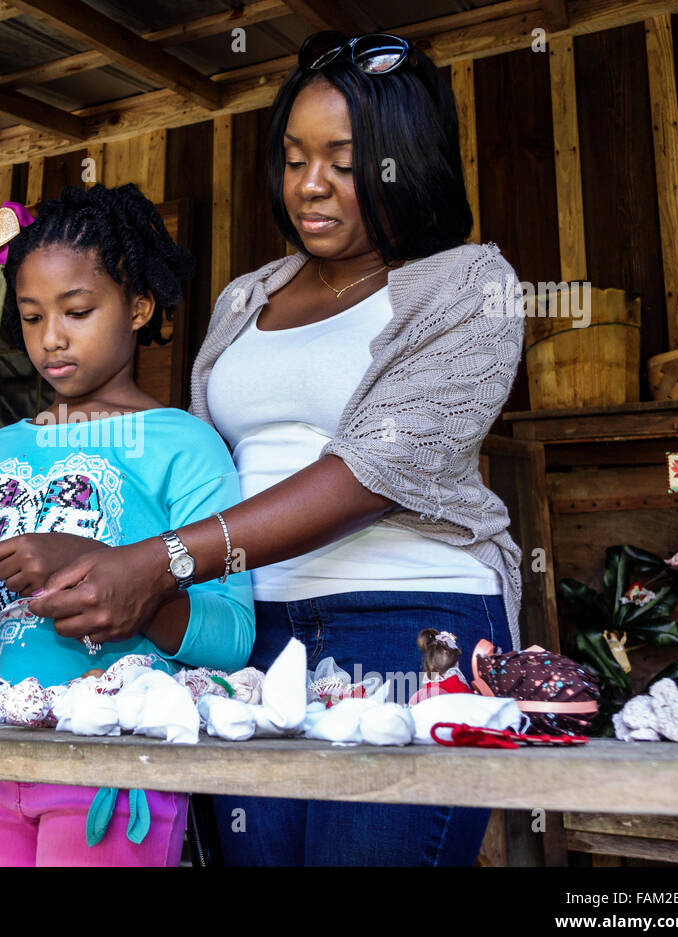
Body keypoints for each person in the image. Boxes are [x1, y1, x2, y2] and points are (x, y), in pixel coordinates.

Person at [26, 32, 525, 866]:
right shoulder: (244, 297)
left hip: (408, 628)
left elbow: (372, 472)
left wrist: (161, 564)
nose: (311, 184)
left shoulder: (472, 285)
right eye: (294, 159)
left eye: (343, 158)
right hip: (253, 633)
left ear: (407, 160)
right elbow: (200, 464)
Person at [0, 184, 254, 866]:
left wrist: (120, 581)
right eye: (31, 317)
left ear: (140, 307)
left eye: (77, 310)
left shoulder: (184, 445)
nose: (51, 338)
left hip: (116, 766)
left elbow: (233, 637)